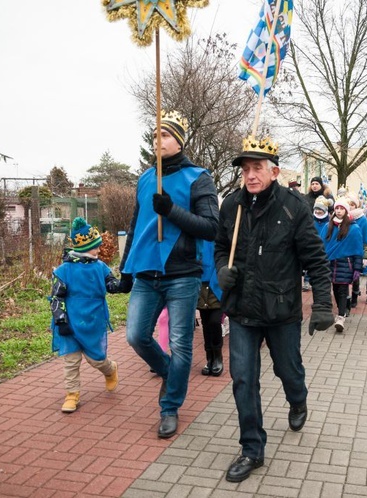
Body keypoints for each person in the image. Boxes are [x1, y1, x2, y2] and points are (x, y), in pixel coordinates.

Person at [215, 136, 334, 483]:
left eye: (257, 168)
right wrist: (222, 268)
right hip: (242, 308)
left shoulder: (293, 206)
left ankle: (297, 398)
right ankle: (252, 448)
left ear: (274, 171)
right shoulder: (231, 206)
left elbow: (315, 258)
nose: (250, 175)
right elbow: (221, 247)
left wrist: (324, 303)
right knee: (242, 379)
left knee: (288, 369)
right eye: (245, 169)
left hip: (281, 309)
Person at [118, 110, 219, 439]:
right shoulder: (146, 178)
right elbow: (135, 227)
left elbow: (211, 227)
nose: (156, 140)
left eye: (164, 134)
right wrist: (125, 270)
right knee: (136, 336)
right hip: (147, 274)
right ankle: (169, 374)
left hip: (182, 275)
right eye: (154, 134)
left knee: (181, 344)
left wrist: (171, 211)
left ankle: (170, 407)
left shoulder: (198, 177)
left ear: (180, 139)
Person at [49, 217, 124, 413]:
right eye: (95, 247)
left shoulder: (100, 267)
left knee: (96, 359)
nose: (98, 251)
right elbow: (56, 297)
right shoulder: (64, 270)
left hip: (93, 319)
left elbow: (111, 284)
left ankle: (110, 369)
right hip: (70, 322)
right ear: (84, 247)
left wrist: (124, 284)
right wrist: (61, 321)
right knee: (71, 360)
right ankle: (72, 394)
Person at [320, 197, 363, 332]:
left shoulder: (353, 228)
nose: (338, 211)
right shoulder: (328, 226)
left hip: (346, 263)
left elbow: (357, 249)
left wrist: (357, 268)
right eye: (337, 208)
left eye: (341, 208)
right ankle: (341, 310)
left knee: (343, 290)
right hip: (330, 263)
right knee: (336, 290)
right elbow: (321, 245)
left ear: (346, 210)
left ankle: (340, 316)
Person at [198, 240, 224, 376]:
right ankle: (210, 358)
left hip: (217, 283)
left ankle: (218, 356)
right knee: (206, 323)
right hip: (200, 283)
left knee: (214, 321)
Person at [303, 195, 332, 292]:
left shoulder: (329, 222)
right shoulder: (310, 220)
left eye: (321, 209)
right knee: (310, 264)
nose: (318, 211)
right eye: (317, 209)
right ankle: (307, 281)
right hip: (312, 246)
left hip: (325, 247)